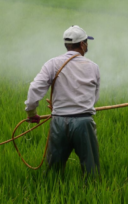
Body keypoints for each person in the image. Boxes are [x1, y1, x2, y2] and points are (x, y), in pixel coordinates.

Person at [24, 25, 101, 178]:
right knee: (91, 172)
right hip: (84, 122)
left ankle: (51, 193)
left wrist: (32, 113)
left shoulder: (52, 63)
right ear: (82, 44)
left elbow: (34, 89)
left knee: (54, 172)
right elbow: (94, 98)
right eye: (86, 42)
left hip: (59, 121)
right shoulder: (93, 67)